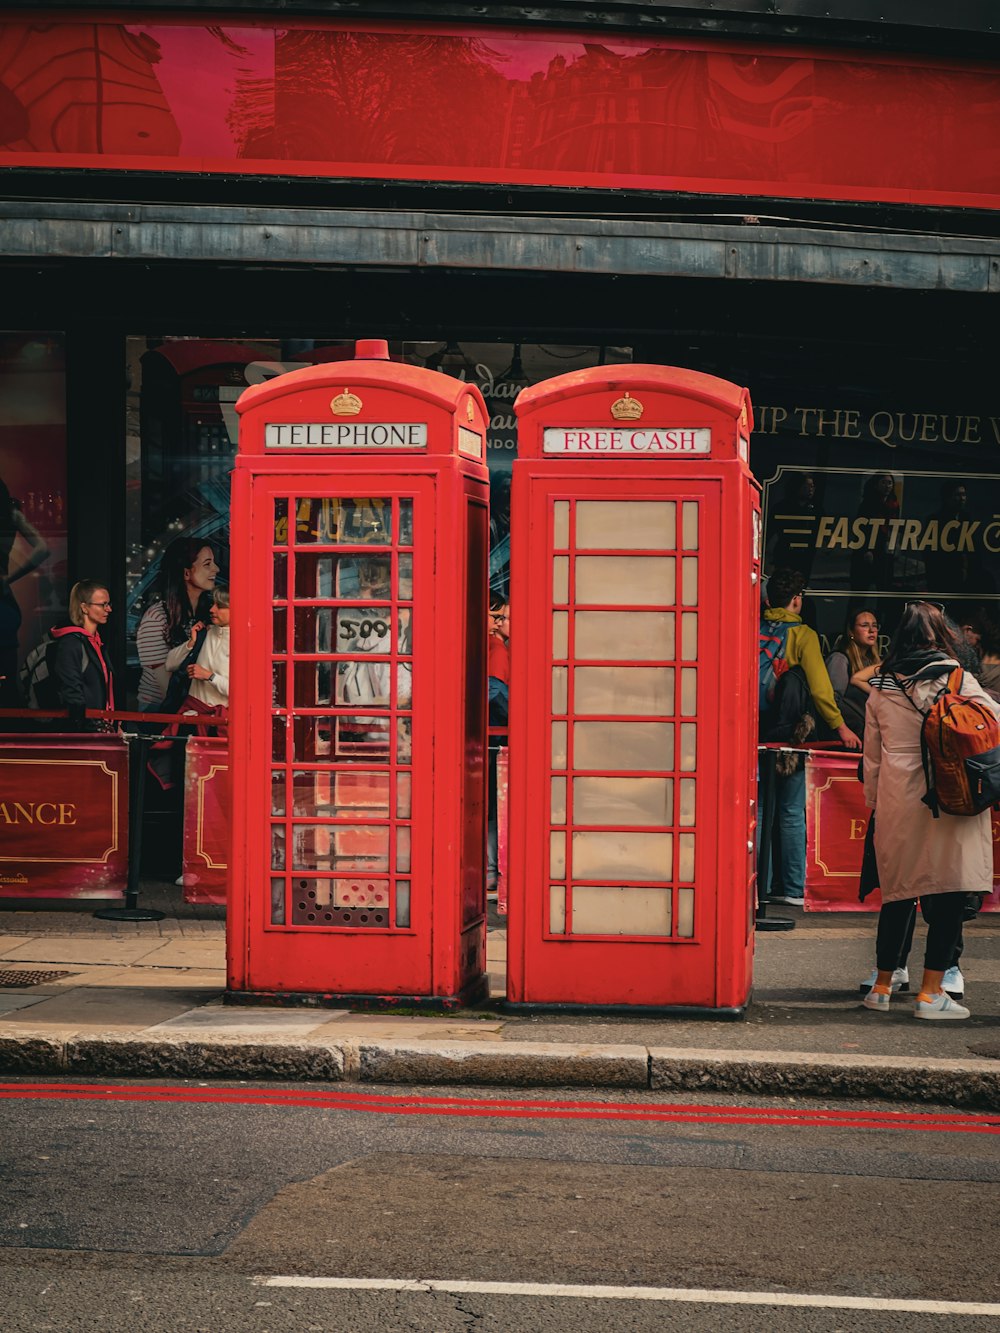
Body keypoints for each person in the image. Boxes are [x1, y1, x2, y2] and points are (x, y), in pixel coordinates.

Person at [861, 601, 999, 1019]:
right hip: (949, 792)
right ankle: (930, 994)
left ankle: (881, 987)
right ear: (942, 635)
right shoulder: (957, 677)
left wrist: (875, 804)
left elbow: (871, 759)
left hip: (898, 795)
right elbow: (993, 722)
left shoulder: (881, 685)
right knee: (951, 891)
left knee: (899, 893)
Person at [760, 569, 861, 907]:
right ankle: (788, 887)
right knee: (789, 810)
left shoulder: (751, 629)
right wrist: (841, 727)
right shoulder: (802, 635)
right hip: (789, 735)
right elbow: (820, 690)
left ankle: (757, 884)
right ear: (796, 601)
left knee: (758, 809)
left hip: (752, 732)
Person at [136, 538, 219, 709]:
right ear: (186, 573)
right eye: (207, 564)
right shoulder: (156, 618)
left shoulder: (210, 613)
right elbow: (166, 685)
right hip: (159, 709)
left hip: (197, 705)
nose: (216, 569)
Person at [0, 475, 50, 706]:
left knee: (8, 670)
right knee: (7, 672)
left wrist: (8, 578)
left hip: (4, 602)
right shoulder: (11, 515)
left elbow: (43, 549)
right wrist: (9, 579)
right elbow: (42, 548)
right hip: (4, 600)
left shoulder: (11, 515)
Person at [51, 580, 115, 729]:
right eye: (103, 604)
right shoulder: (70, 644)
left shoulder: (97, 642)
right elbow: (71, 691)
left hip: (101, 726)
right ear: (84, 607)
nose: (109, 609)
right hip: (85, 730)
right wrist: (87, 727)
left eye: (109, 604)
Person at [164, 586, 230, 710]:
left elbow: (244, 692)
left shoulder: (243, 644)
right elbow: (169, 664)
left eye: (219, 606)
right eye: (213, 604)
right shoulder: (206, 633)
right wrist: (192, 642)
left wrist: (210, 676)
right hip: (192, 714)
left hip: (219, 721)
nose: (212, 609)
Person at [825, 606, 881, 739]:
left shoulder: (872, 661)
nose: (872, 630)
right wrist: (844, 730)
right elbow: (833, 701)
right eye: (864, 625)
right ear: (851, 631)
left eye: (874, 625)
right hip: (847, 735)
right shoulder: (840, 659)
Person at [486, 591, 510, 898]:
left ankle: (490, 870)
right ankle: (492, 870)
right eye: (497, 616)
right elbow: (495, 691)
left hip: (488, 737)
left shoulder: (493, 645)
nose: (500, 622)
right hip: (494, 737)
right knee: (493, 806)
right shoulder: (496, 647)